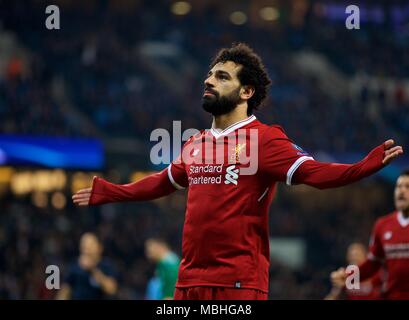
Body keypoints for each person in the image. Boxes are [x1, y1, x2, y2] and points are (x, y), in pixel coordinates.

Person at [72, 43, 403, 300]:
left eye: (222, 76)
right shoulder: (195, 142)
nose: (208, 80)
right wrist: (111, 191)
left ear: (247, 92)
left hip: (237, 282)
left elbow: (315, 174)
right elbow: (162, 183)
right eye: (211, 74)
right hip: (189, 283)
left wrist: (363, 167)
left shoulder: (266, 139)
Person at [330, 169, 409, 300]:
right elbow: (372, 264)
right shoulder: (382, 225)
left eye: (407, 187)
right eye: (399, 186)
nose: (401, 190)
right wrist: (348, 275)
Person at [56, 232, 118, 300]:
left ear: (99, 247)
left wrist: (93, 270)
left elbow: (112, 290)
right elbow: (64, 291)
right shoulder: (74, 265)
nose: (86, 249)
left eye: (90, 245)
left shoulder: (106, 265)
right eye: (84, 245)